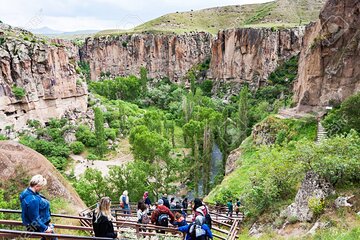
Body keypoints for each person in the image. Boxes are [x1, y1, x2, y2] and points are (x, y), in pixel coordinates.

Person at [20, 175, 57, 239]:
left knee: (49, 237)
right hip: (35, 226)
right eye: (41, 186)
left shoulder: (27, 192)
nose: (42, 188)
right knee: (53, 238)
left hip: (39, 223)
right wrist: (45, 228)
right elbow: (35, 219)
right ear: (36, 186)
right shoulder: (33, 200)